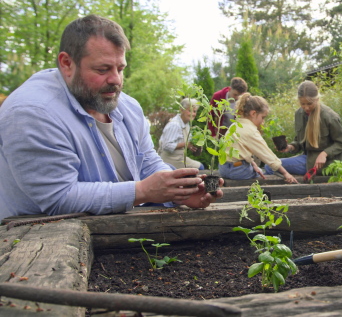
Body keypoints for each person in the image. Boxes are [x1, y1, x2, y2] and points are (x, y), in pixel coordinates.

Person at [0, 15, 224, 222]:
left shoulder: (126, 106)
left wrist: (179, 192)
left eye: (120, 68)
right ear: (66, 63)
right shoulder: (32, 113)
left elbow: (146, 162)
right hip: (38, 244)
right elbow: (59, 198)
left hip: (114, 231)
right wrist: (143, 191)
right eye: (102, 69)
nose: (116, 80)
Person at [265, 81, 342, 176]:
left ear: (317, 99)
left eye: (309, 103)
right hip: (306, 158)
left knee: (270, 167)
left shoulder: (329, 116)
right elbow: (300, 142)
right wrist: (290, 147)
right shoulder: (299, 114)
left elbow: (341, 142)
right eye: (302, 104)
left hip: (324, 163)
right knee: (271, 165)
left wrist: (324, 154)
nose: (306, 107)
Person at [219, 93, 298, 184]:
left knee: (258, 169)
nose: (262, 121)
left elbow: (239, 151)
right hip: (238, 171)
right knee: (266, 173)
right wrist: (286, 174)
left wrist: (253, 164)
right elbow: (266, 154)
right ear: (253, 113)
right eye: (262, 117)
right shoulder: (251, 131)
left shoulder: (234, 125)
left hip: (223, 169)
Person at [158, 98, 204, 170]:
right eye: (190, 111)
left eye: (195, 111)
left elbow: (188, 142)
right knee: (200, 168)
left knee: (199, 166)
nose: (193, 114)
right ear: (181, 110)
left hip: (179, 158)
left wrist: (196, 145)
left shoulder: (186, 124)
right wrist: (186, 144)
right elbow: (166, 145)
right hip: (169, 160)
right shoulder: (175, 125)